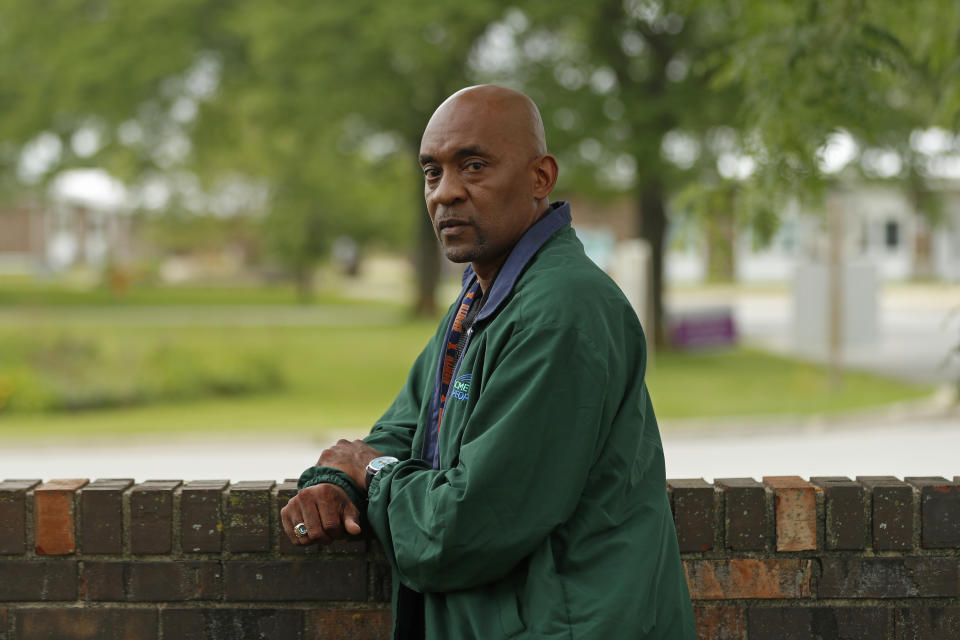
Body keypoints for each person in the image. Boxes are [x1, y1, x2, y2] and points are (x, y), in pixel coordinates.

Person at [281, 85, 696, 639]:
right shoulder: (484, 298)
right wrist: (336, 478)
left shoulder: (561, 309)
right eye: (432, 172)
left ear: (540, 178)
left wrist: (372, 474)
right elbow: (404, 429)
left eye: (473, 166)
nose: (445, 194)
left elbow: (460, 530)